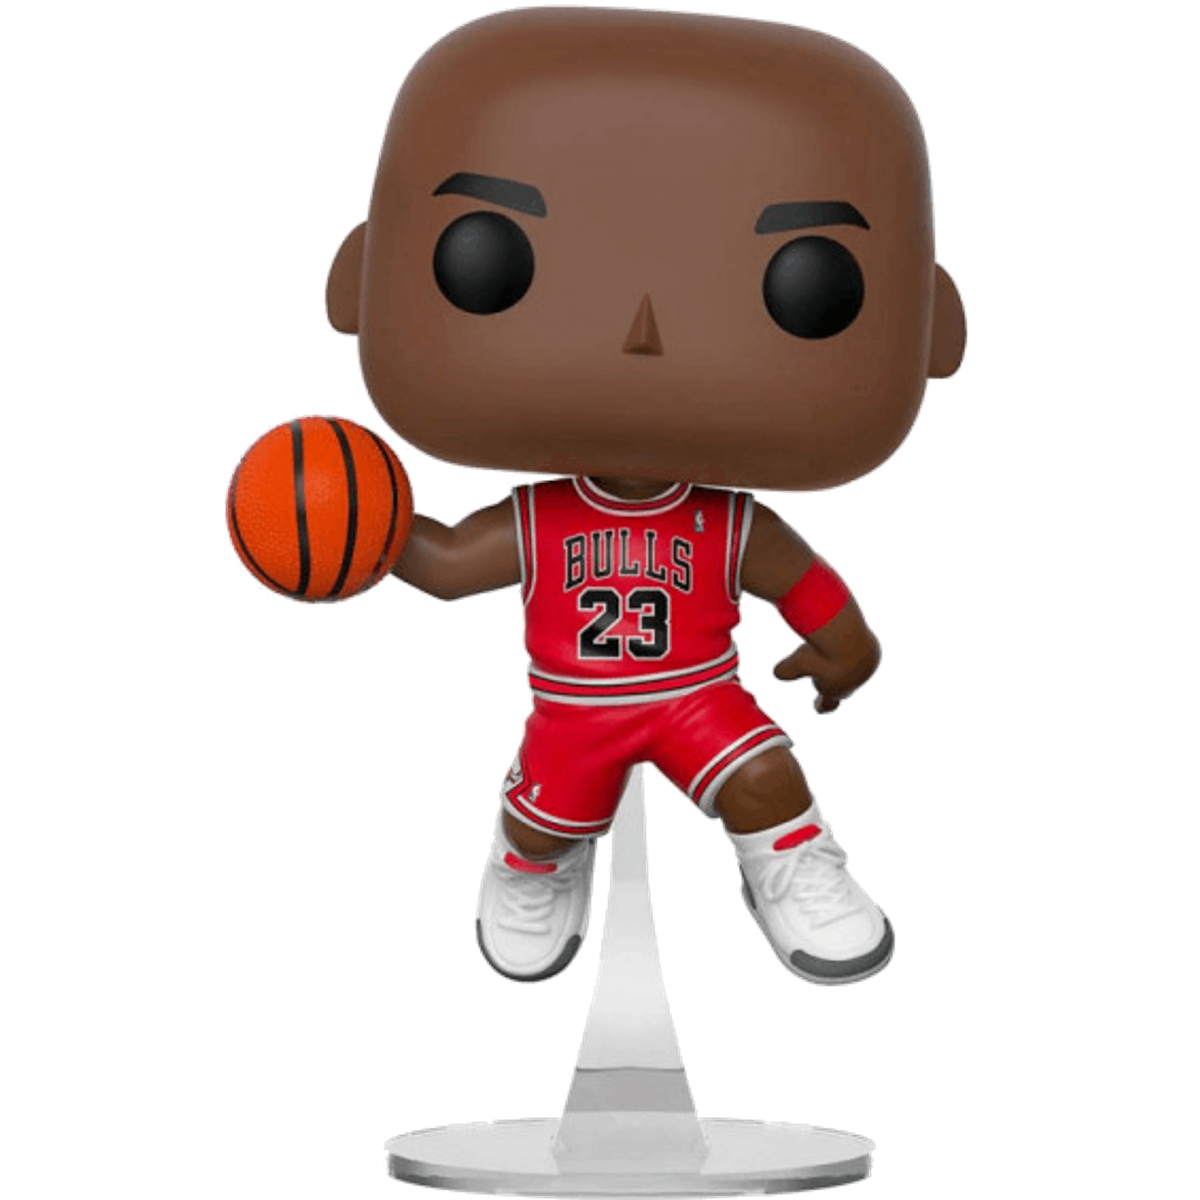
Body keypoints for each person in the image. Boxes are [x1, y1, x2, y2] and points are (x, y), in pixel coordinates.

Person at [323, 8, 967, 986]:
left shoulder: (727, 520)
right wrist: (366, 531)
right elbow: (450, 566)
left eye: (812, 285)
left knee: (767, 777)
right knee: (544, 820)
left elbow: (797, 578)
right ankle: (531, 868)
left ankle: (794, 864)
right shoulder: (543, 515)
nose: (643, 332)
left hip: (697, 694)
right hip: (576, 709)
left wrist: (847, 643)